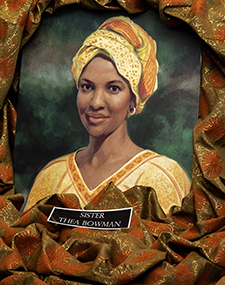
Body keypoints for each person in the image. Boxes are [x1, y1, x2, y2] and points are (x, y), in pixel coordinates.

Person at [24, 17, 191, 215]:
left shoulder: (161, 175)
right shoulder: (52, 176)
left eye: (113, 88)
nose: (95, 103)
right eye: (87, 87)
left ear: (133, 100)